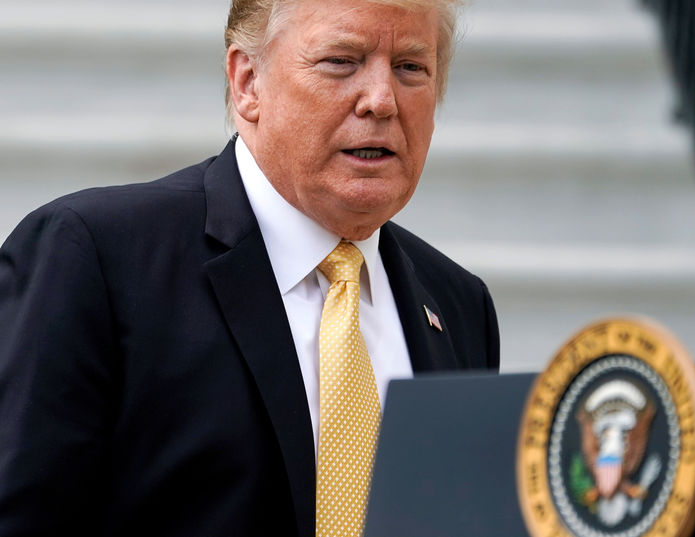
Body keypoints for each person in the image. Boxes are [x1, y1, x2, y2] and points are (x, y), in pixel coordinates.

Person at [0, 0, 499, 535]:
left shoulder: (459, 305)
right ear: (248, 82)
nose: (381, 100)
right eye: (341, 61)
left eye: (410, 68)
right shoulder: (95, 257)